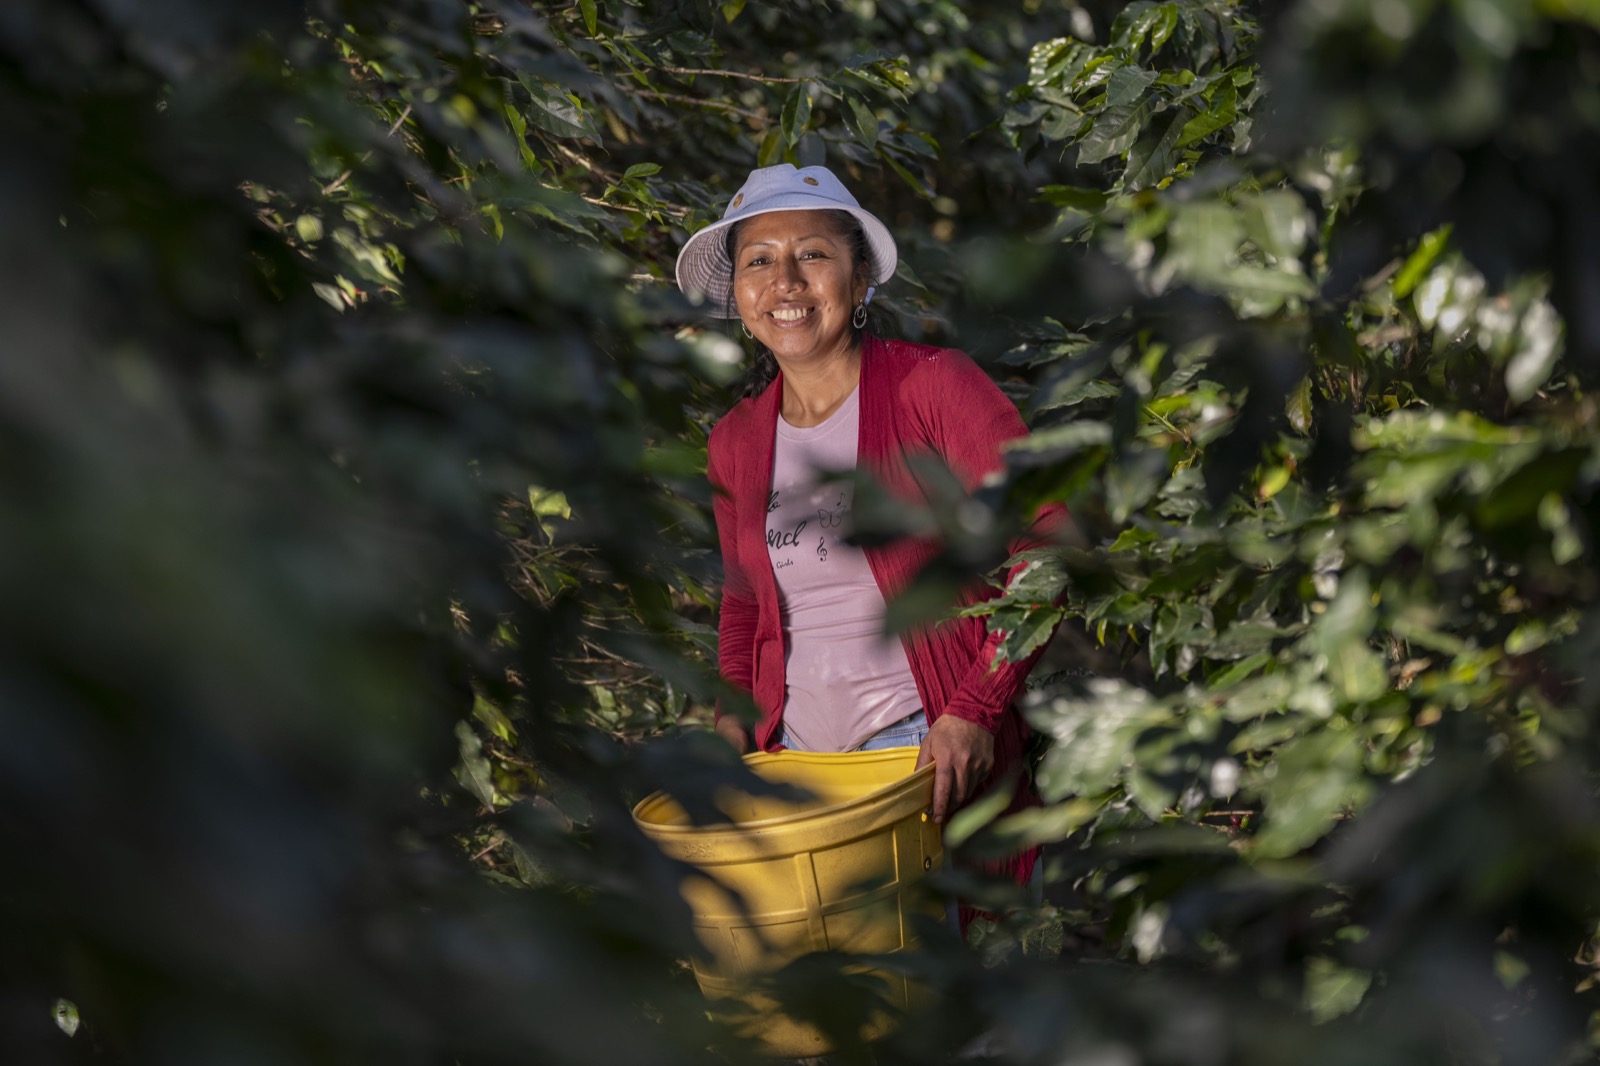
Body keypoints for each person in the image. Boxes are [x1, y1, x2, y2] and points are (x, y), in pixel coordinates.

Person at [675, 163, 1067, 908]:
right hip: (795, 770)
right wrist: (731, 727)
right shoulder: (735, 441)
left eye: (813, 254)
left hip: (925, 754)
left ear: (859, 282)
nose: (785, 281)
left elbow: (1047, 546)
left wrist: (976, 710)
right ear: (739, 297)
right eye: (759, 261)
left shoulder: (935, 387)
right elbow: (744, 606)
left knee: (955, 974)